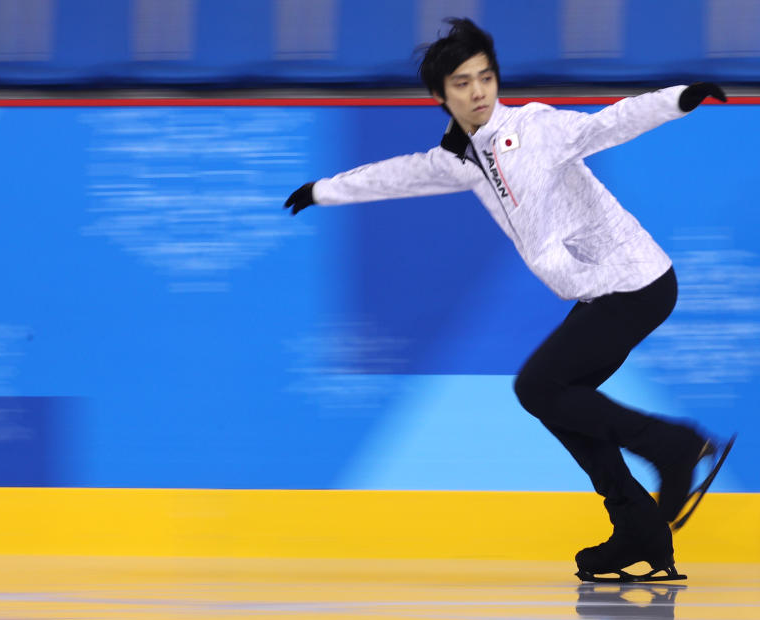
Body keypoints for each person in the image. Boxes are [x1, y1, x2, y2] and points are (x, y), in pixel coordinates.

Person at [284, 18, 734, 582]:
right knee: (560, 401)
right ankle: (640, 532)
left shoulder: (535, 126)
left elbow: (608, 125)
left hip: (634, 281)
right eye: (462, 84)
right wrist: (323, 190)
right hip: (601, 290)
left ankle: (674, 446)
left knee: (538, 387)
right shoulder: (459, 158)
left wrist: (678, 99)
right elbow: (397, 176)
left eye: (485, 78)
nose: (477, 92)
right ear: (441, 96)